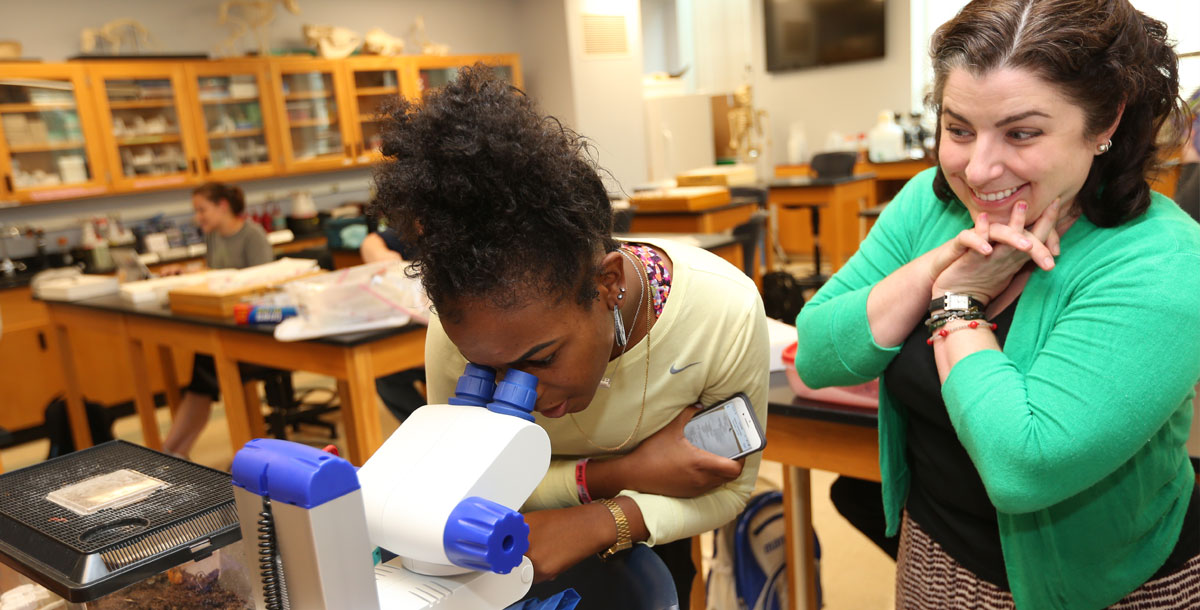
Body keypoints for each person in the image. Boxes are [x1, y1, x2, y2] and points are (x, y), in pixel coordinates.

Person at [792, 1, 1200, 608]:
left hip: (1097, 587)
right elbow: (819, 353)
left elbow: (1022, 467)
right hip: (931, 555)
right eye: (958, 130)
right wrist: (938, 265)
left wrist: (956, 302)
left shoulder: (1159, 259)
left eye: (1022, 133)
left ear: (1105, 122)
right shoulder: (929, 206)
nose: (977, 169)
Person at [370, 65, 769, 598]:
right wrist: (621, 472)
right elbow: (463, 492)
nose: (523, 392)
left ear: (607, 285)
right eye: (489, 371)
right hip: (510, 545)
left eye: (540, 358)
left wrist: (603, 520)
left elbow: (733, 486)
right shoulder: (457, 339)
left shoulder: (723, 312)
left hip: (658, 525)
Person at [162, 182, 275, 458]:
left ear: (223, 206)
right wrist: (188, 273)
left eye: (202, 210)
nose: (198, 217)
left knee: (204, 367)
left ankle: (172, 451)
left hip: (255, 332)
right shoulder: (214, 237)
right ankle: (174, 451)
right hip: (226, 327)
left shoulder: (253, 236)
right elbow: (216, 274)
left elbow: (267, 287)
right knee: (204, 364)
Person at [359, 224, 427, 421]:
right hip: (423, 335)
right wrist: (382, 256)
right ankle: (422, 430)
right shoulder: (416, 230)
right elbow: (372, 242)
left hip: (466, 343)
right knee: (386, 372)